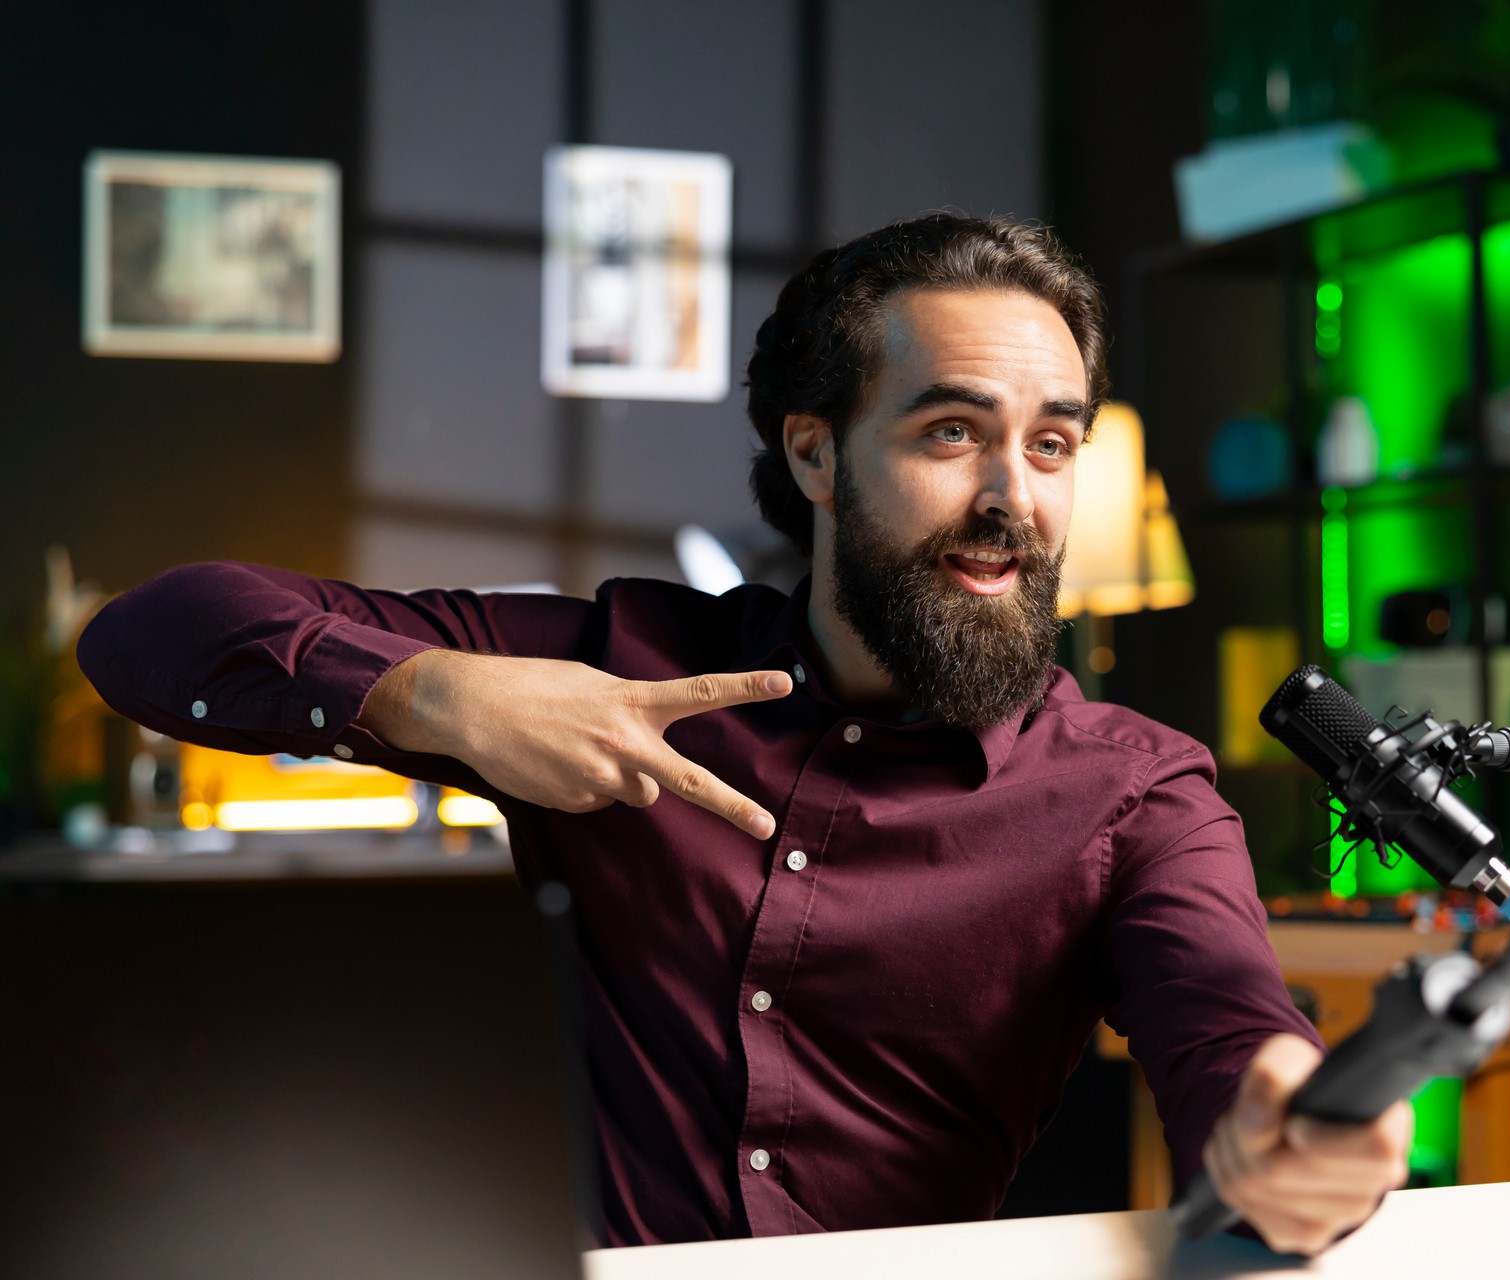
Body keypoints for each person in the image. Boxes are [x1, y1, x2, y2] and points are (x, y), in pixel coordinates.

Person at [78, 213, 1410, 1252]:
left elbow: (1228, 1028)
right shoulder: (615, 664)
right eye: (954, 432)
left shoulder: (1135, 794)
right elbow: (149, 633)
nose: (1014, 496)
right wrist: (434, 693)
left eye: (1051, 445)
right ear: (817, 454)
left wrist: (1286, 1121)